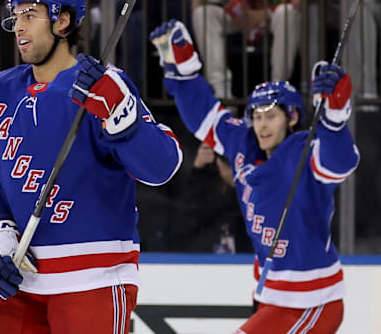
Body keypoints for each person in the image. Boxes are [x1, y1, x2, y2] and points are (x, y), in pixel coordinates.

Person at [0, 0, 183, 334]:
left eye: (30, 15)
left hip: (93, 279)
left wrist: (122, 118)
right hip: (21, 278)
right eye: (15, 16)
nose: (18, 26)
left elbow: (163, 166)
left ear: (62, 20)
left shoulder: (103, 87)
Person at [151, 19, 359, 333]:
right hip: (271, 293)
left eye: (271, 116)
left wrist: (334, 119)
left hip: (311, 300)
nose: (262, 125)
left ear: (292, 118)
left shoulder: (303, 149)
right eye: (257, 116)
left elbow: (339, 162)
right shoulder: (242, 144)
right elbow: (205, 115)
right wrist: (184, 73)